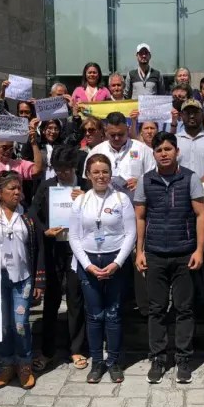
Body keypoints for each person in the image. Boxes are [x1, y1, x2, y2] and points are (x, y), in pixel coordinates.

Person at [134, 132, 204, 384]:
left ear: (177, 151)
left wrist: (199, 250)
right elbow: (140, 217)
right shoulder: (146, 180)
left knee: (184, 308)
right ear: (153, 154)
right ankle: (158, 357)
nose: (164, 153)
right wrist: (139, 251)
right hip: (154, 253)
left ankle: (183, 358)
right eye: (159, 150)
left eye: (168, 149)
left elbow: (201, 214)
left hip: (184, 253)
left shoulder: (190, 178)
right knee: (156, 309)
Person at [0, 171, 45, 390]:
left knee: (20, 323)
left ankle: (24, 364)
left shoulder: (28, 215)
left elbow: (39, 247)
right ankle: (7, 364)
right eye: (12, 188)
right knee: (3, 325)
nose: (17, 192)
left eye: (19, 188)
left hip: (22, 277)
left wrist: (40, 281)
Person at [69, 154, 136, 383]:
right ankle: (97, 361)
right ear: (88, 175)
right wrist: (87, 265)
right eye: (95, 172)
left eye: (105, 171)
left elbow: (130, 234)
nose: (101, 176)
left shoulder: (121, 199)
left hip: (114, 260)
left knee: (114, 314)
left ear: (111, 174)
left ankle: (114, 361)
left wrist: (117, 263)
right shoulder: (81, 201)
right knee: (95, 314)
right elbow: (74, 236)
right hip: (89, 262)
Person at [29, 146, 90, 372]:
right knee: (52, 301)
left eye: (66, 170)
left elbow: (99, 211)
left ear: (74, 166)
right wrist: (44, 230)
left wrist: (87, 199)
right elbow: (32, 213)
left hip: (76, 250)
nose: (62, 174)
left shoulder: (85, 186)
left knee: (75, 299)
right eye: (58, 170)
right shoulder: (47, 187)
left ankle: (76, 349)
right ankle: (47, 351)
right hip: (54, 249)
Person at [86, 112, 155, 197]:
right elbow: (88, 181)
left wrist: (141, 183)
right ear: (106, 131)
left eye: (120, 134)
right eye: (113, 135)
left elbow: (154, 177)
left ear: (128, 129)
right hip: (104, 206)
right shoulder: (96, 151)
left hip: (135, 206)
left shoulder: (143, 150)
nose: (117, 138)